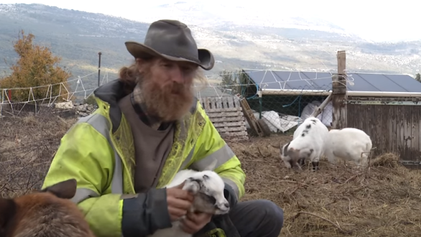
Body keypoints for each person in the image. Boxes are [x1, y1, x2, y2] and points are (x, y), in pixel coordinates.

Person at [41, 19, 284, 237]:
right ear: (141, 66)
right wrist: (148, 209)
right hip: (122, 232)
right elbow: (58, 213)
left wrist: (210, 204)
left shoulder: (194, 122)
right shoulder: (95, 131)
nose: (178, 78)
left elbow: (231, 169)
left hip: (177, 229)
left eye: (187, 70)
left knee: (266, 215)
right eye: (167, 66)